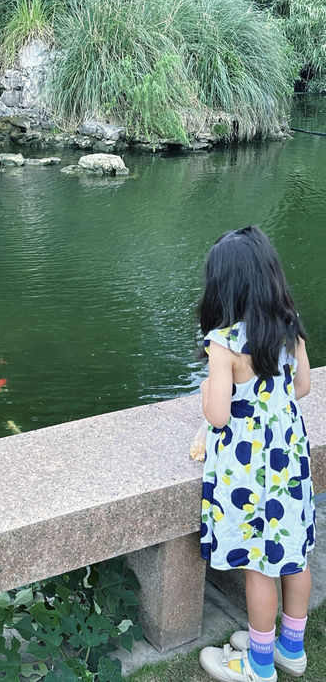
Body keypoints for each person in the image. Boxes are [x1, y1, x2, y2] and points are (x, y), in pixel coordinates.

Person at [196, 227, 315, 682]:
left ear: (222, 286)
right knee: (293, 555)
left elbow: (219, 417)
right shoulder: (288, 324)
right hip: (289, 463)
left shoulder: (223, 343)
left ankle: (259, 665)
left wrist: (209, 389)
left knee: (257, 564)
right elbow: (301, 387)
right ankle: (291, 648)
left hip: (248, 472)